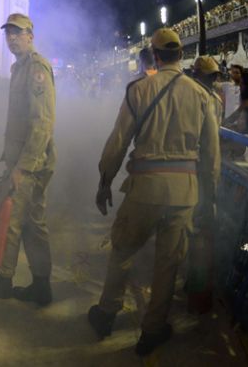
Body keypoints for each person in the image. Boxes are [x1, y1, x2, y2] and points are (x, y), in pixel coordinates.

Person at [87, 28, 221, 356]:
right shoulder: (202, 95)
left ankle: (106, 313)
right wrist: (209, 198)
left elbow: (117, 142)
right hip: (183, 193)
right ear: (181, 54)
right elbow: (211, 157)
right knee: (167, 264)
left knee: (123, 250)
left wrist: (105, 182)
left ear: (155, 55)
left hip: (144, 188)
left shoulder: (139, 90)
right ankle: (153, 329)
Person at [0, 13, 57, 306]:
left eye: (17, 33)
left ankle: (3, 280)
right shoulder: (19, 68)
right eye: (8, 33)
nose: (11, 38)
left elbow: (42, 122)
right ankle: (41, 286)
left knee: (10, 220)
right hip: (26, 161)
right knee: (33, 224)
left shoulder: (36, 67)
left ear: (30, 36)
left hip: (29, 163)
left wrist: (22, 166)